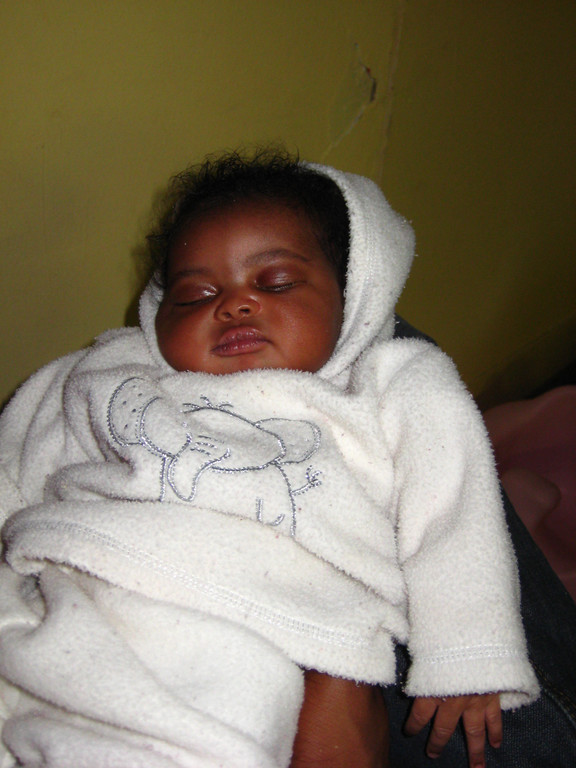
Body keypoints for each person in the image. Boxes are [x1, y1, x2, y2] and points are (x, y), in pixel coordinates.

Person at [0, 150, 539, 767]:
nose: (233, 305)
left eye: (275, 282)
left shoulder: (390, 382)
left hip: (266, 626)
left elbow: (452, 509)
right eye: (194, 294)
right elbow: (18, 457)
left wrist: (467, 648)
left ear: (354, 293)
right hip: (75, 588)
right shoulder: (114, 372)